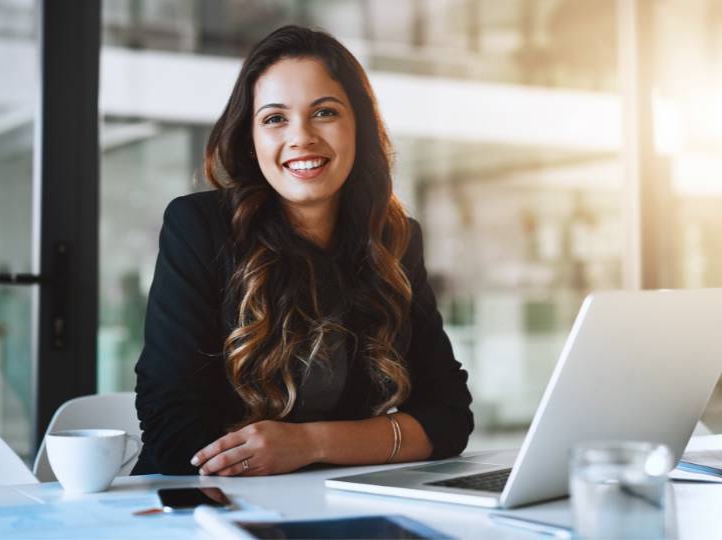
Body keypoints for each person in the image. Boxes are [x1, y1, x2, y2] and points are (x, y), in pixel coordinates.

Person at [133, 25, 473, 476]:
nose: (302, 137)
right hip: (205, 508)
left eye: (325, 113)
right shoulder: (199, 227)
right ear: (251, 141)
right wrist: (367, 442)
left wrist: (309, 443)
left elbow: (448, 418)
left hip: (336, 504)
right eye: (275, 118)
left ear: (359, 128)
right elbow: (173, 430)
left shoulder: (395, 239)